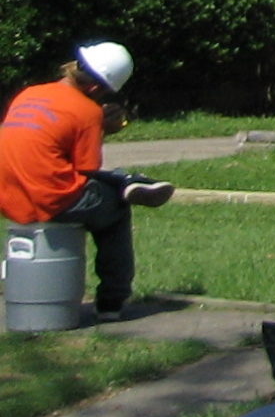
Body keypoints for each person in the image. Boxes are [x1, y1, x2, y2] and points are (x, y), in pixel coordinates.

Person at [0, 42, 175, 321]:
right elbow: (87, 170)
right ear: (97, 89)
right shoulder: (87, 111)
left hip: (9, 196)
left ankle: (126, 181)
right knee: (116, 210)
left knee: (104, 187)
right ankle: (111, 303)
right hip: (50, 198)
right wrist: (103, 129)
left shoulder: (28, 93)